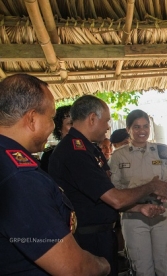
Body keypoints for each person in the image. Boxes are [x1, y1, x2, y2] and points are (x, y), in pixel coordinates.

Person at [48, 95, 167, 276]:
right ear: (92, 118)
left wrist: (139, 208)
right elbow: (115, 198)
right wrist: (151, 186)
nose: (108, 126)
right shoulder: (74, 152)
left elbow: (103, 197)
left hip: (102, 234)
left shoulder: (89, 150)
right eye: (106, 121)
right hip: (87, 239)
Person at [0, 74, 110, 275]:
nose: (52, 127)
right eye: (51, 118)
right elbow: (72, 267)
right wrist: (103, 265)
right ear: (32, 119)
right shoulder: (20, 178)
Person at [109, 109, 167, 276]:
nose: (142, 131)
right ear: (128, 130)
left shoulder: (161, 151)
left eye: (146, 126)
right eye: (137, 127)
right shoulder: (118, 156)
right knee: (141, 267)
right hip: (134, 214)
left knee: (166, 264)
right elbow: (114, 189)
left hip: (161, 211)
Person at [40, 105, 72, 172]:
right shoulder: (49, 155)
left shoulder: (89, 150)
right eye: (70, 123)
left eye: (77, 123)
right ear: (59, 128)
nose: (75, 126)